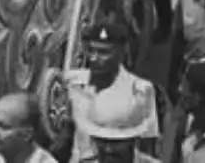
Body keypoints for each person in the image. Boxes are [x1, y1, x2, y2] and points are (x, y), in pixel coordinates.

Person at [65, 22, 160, 163]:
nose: (94, 58)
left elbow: (146, 141)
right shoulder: (71, 83)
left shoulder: (139, 89)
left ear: (121, 52)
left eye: (104, 52)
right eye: (91, 50)